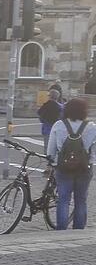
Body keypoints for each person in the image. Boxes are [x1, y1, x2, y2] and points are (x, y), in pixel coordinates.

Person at [48, 98, 96, 230]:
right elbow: (94, 153)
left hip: (63, 167)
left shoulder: (59, 125)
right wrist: (89, 162)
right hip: (84, 168)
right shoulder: (91, 127)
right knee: (81, 200)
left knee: (63, 199)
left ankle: (62, 229)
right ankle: (78, 230)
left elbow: (51, 148)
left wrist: (51, 162)